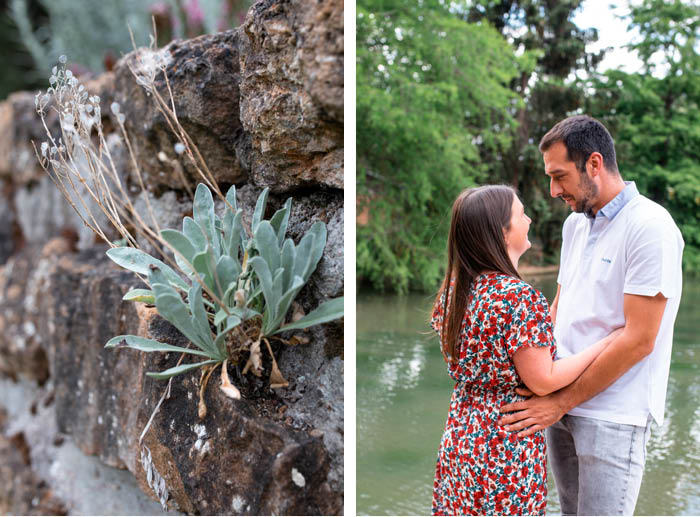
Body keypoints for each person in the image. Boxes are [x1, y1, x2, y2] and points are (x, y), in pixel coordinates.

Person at [499, 115, 685, 516]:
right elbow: (559, 309)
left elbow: (639, 340)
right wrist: (540, 382)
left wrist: (559, 401)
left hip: (614, 414)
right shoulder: (575, 226)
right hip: (560, 405)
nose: (553, 190)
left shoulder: (650, 227)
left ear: (595, 164)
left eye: (560, 176)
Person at [429, 185, 621, 516]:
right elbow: (543, 380)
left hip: (461, 437)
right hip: (504, 446)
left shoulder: (454, 291)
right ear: (502, 232)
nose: (529, 219)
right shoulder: (518, 297)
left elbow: (512, 344)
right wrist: (607, 343)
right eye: (521, 214)